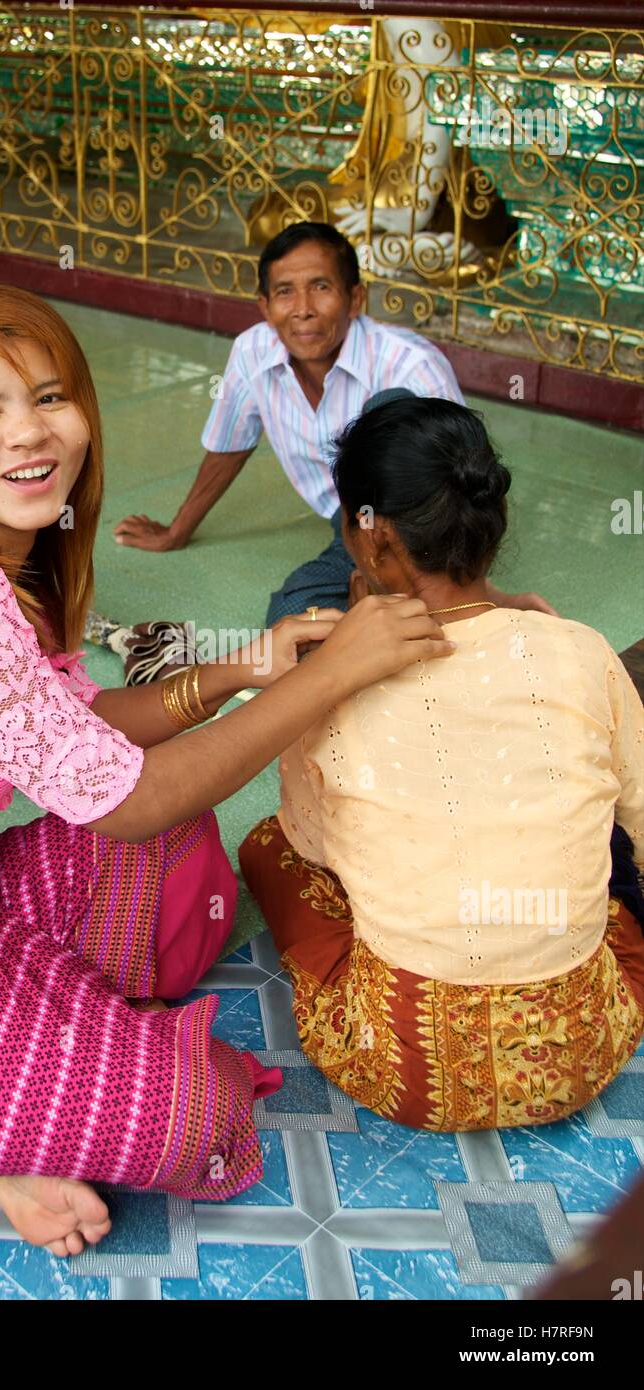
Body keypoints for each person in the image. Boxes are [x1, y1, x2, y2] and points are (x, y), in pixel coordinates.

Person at [0, 282, 456, 1259]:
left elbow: (88, 728)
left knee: (183, 835)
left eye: (49, 397)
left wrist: (244, 666)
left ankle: (16, 1077)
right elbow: (129, 800)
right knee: (206, 1118)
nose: (30, 433)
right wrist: (331, 677)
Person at [239, 394, 644, 1132]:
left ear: (374, 537)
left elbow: (315, 846)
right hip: (586, 1048)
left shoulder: (325, 685)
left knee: (267, 849)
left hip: (408, 1072)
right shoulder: (579, 648)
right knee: (605, 891)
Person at [113, 221, 554, 627]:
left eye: (320, 287)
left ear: (355, 299)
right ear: (265, 307)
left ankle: (464, 601)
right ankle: (397, 605)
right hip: (352, 526)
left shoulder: (409, 365)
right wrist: (177, 531)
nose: (303, 309)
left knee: (391, 408)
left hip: (423, 523)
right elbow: (230, 444)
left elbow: (457, 489)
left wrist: (458, 578)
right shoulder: (253, 352)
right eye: (285, 292)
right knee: (291, 619)